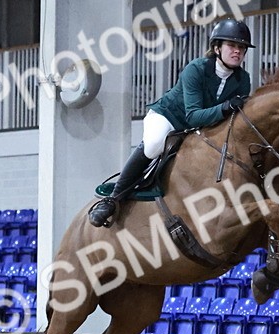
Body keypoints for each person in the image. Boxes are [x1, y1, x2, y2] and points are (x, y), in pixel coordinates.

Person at [87, 18, 254, 227]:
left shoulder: (243, 79)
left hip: (201, 128)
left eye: (242, 47)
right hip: (169, 117)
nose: (237, 51)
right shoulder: (196, 69)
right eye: (232, 45)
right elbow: (193, 115)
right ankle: (112, 200)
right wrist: (224, 107)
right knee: (154, 144)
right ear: (217, 48)